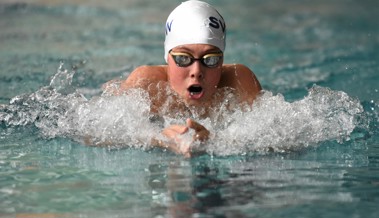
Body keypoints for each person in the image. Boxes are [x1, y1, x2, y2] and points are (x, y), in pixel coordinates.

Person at [103, 0, 262, 157]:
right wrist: (160, 139)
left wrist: (214, 140)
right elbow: (97, 134)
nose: (197, 71)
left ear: (222, 61)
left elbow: (272, 136)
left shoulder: (239, 81)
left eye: (210, 59)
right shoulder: (146, 83)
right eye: (183, 58)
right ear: (168, 58)